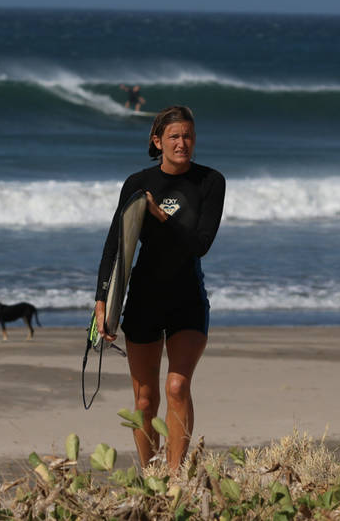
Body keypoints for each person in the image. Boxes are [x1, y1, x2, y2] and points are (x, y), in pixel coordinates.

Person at [94, 105, 225, 468]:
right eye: (174, 136)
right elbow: (115, 244)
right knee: (145, 401)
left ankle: (175, 480)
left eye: (188, 136)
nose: (182, 143)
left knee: (177, 387)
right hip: (144, 299)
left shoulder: (211, 181)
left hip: (187, 297)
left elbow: (201, 244)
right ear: (157, 141)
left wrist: (160, 216)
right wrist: (103, 299)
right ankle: (151, 476)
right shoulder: (137, 184)